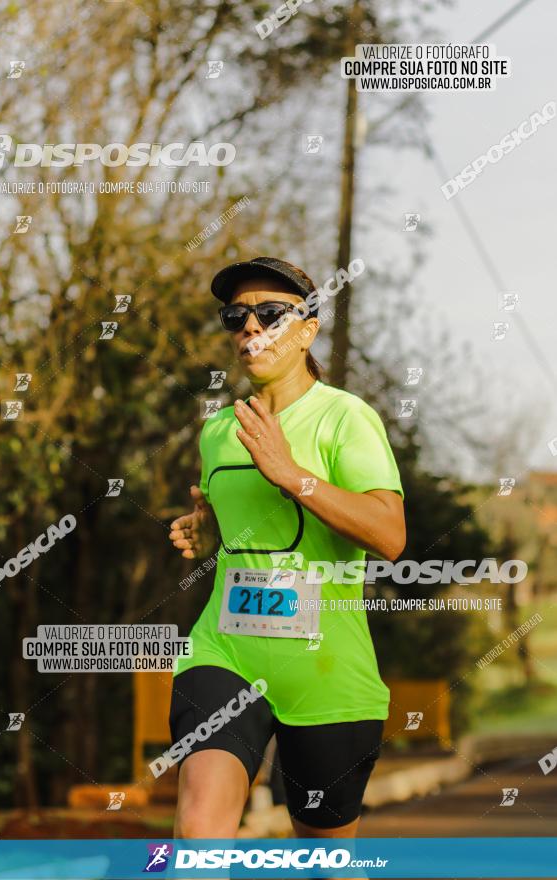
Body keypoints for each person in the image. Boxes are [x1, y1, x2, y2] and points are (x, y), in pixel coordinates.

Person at [168, 256, 406, 840]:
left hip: (325, 668)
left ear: (306, 330)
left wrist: (290, 473)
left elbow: (390, 535)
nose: (251, 327)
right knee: (199, 827)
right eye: (237, 316)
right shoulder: (219, 429)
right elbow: (241, 528)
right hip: (225, 651)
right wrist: (204, 530)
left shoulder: (345, 418)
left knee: (325, 863)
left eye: (271, 314)